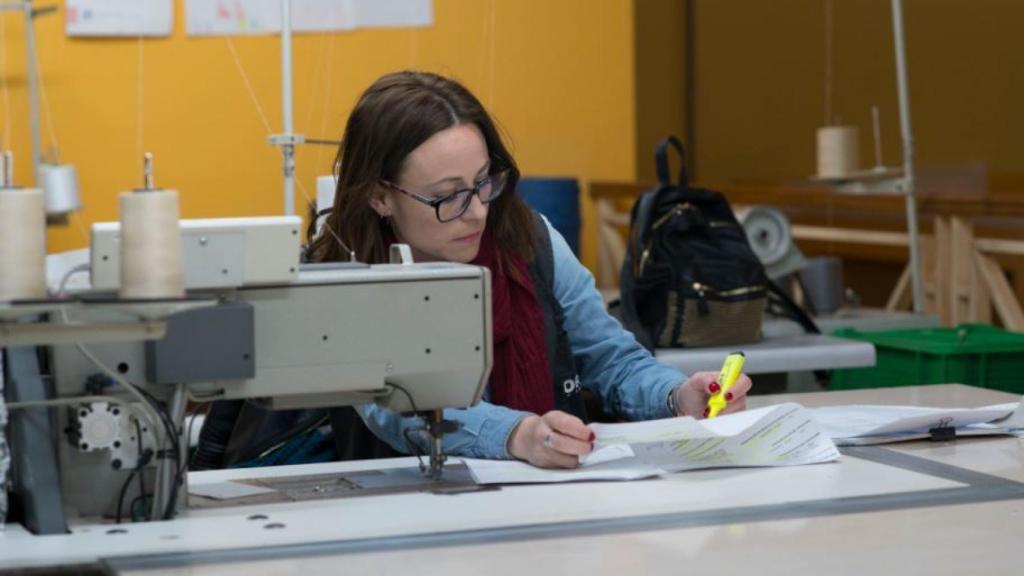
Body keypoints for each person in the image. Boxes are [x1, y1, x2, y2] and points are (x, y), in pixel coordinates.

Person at [302, 70, 753, 469]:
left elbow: (612, 359)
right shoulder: (344, 275)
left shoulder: (530, 242)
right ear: (380, 197)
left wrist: (677, 397)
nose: (477, 211)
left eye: (483, 183)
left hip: (547, 500)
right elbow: (396, 407)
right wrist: (517, 434)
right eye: (448, 195)